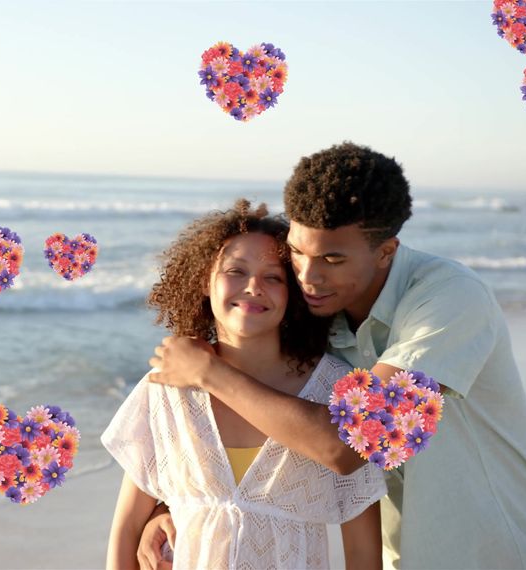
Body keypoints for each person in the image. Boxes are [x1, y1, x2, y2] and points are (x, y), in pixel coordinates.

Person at [139, 142, 526, 569]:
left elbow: (347, 444)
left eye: (332, 258)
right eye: (298, 252)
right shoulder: (319, 312)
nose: (308, 276)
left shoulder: (450, 300)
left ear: (386, 251)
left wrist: (208, 373)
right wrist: (173, 501)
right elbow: (270, 407)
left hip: (495, 553)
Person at [101, 199, 386, 570]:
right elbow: (126, 530)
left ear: (294, 294)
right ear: (206, 281)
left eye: (273, 277)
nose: (253, 287)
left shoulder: (335, 391)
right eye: (236, 271)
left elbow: (363, 554)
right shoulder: (167, 388)